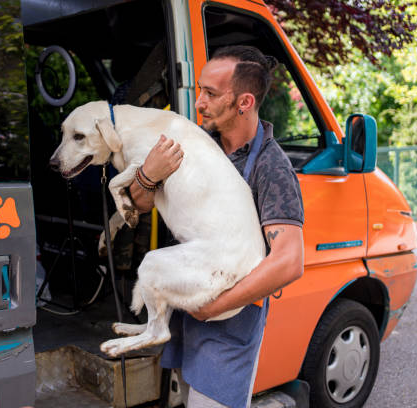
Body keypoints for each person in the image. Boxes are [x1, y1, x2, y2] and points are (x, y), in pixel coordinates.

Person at [129, 45, 304, 408]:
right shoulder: (193, 145)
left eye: (210, 94)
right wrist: (148, 175)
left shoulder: (271, 168)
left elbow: (289, 261)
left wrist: (213, 306)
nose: (198, 103)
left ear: (244, 102)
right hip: (184, 308)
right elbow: (140, 205)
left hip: (228, 322)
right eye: (199, 91)